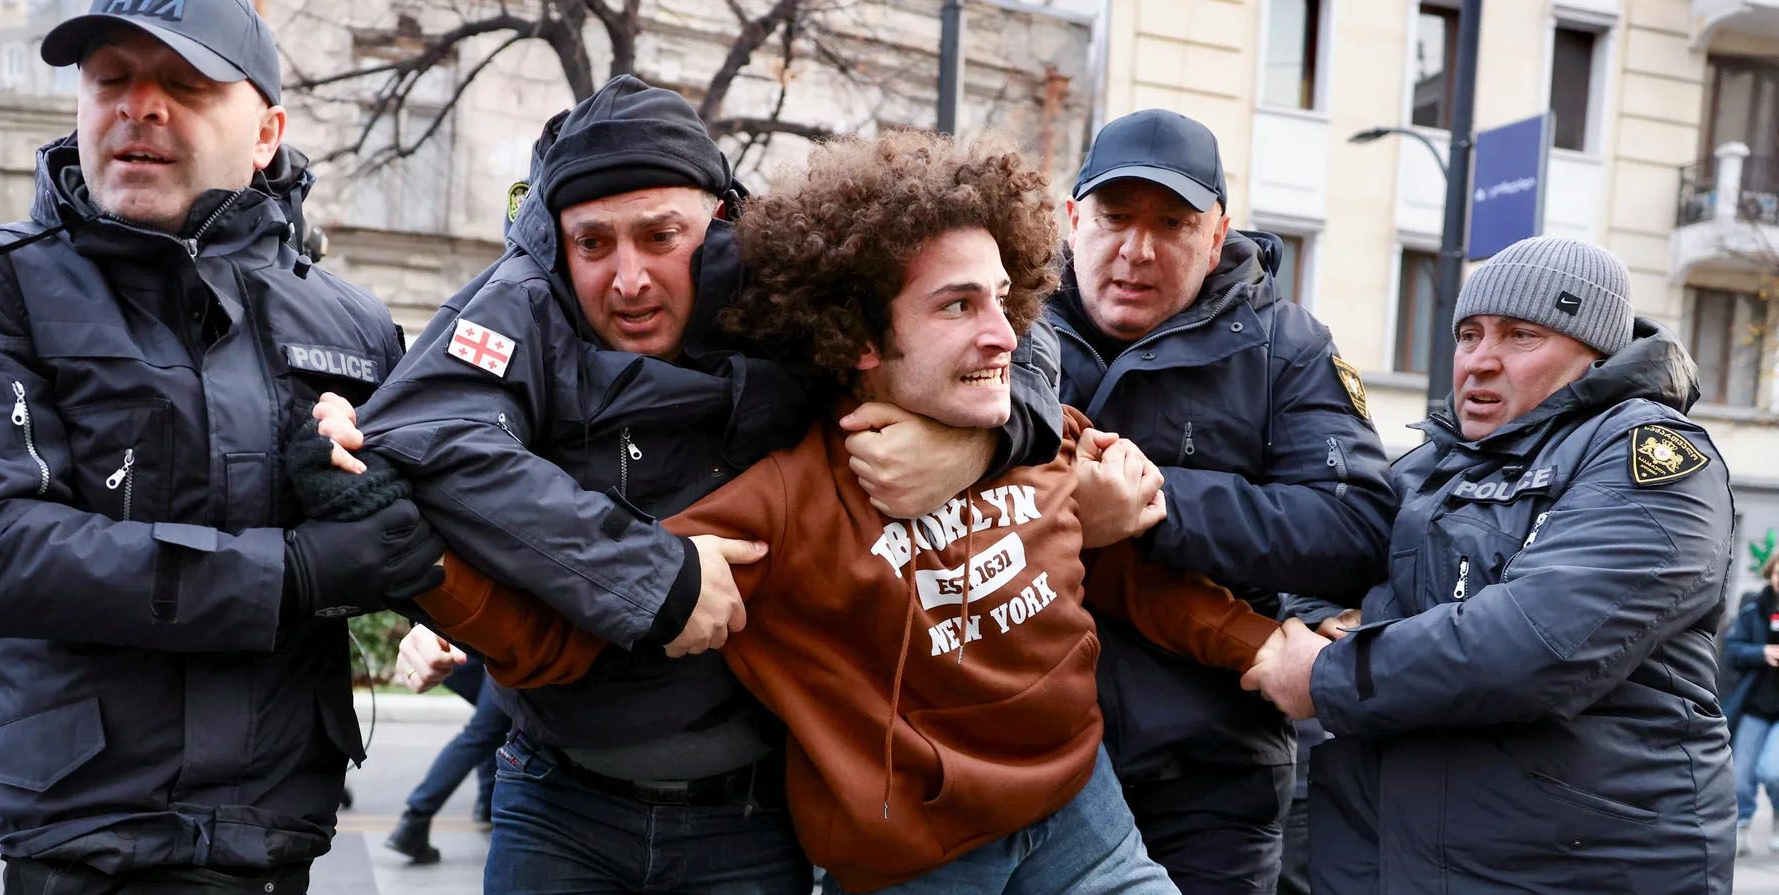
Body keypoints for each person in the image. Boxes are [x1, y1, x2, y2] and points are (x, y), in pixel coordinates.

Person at [335, 130, 1284, 894]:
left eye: (1002, 300)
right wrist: (412, 555)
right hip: (916, 857)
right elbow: (561, 634)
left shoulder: (1037, 434)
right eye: (960, 306)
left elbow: (1136, 582)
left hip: (1087, 818)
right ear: (866, 339)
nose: (1004, 331)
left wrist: (1276, 652)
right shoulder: (791, 492)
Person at [0, 0, 444, 891]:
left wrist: (404, 550)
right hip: (88, 842)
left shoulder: (354, 322)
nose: (139, 107)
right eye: (111, 79)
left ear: (266, 131)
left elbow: (435, 517)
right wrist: (297, 572)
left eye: (184, 85)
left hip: (279, 837)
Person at [1244, 235, 1736, 894]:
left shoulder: (1654, 457)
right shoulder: (1426, 465)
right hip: (1401, 858)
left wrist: (1335, 666)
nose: (1479, 361)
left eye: (1520, 336)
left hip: (1572, 867)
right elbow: (1311, 580)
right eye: (1468, 335)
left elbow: (1537, 643)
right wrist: (1378, 629)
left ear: (1594, 351)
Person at [1048, 109, 1395, 894]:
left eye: (1172, 223)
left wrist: (1153, 503)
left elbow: (1355, 526)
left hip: (1208, 775)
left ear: (1216, 235)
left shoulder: (1289, 346)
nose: (1137, 249)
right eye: (1114, 218)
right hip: (1015, 759)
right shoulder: (1006, 325)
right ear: (1073, 221)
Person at [384, 652, 511, 863]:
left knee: (493, 728)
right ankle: (415, 818)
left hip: (479, 651)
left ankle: (487, 804)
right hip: (502, 652)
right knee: (484, 730)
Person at [1723, 553, 1779, 853]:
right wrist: (1762, 653)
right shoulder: (1753, 607)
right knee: (1740, 776)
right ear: (1771, 574)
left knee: (1774, 772)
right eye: (1778, 573)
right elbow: (1731, 650)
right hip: (1755, 706)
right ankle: (1741, 827)